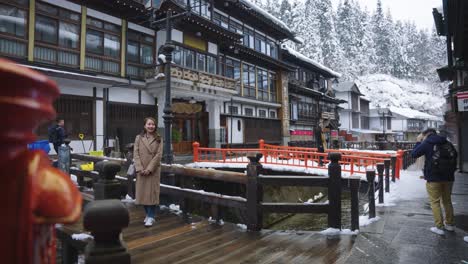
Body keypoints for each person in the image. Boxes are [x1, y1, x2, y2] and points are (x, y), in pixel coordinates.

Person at [411, 128, 457, 236]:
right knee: (447, 201)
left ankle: (439, 226)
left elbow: (414, 154)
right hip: (449, 177)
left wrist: (418, 141)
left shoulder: (427, 142)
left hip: (434, 178)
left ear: (425, 135)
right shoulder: (446, 142)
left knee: (435, 202)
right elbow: (455, 155)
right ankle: (450, 225)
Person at [133, 117, 163, 227]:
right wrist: (140, 168)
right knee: (142, 194)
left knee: (152, 194)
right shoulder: (138, 138)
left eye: (153, 124)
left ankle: (151, 216)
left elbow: (158, 155)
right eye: (149, 124)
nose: (151, 126)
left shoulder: (159, 138)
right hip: (141, 169)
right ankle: (147, 214)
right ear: (145, 126)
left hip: (153, 170)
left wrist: (149, 169)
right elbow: (135, 153)